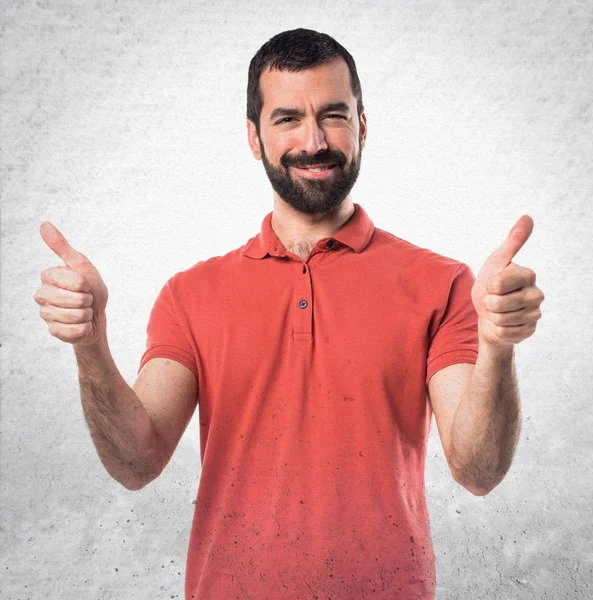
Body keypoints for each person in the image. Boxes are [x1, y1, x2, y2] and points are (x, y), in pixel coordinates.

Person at [34, 28, 544, 600]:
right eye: (286, 119)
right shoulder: (190, 294)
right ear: (253, 137)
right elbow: (136, 463)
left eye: (333, 115)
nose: (313, 140)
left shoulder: (441, 283)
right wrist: (90, 344)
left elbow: (478, 472)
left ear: (363, 126)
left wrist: (499, 346)